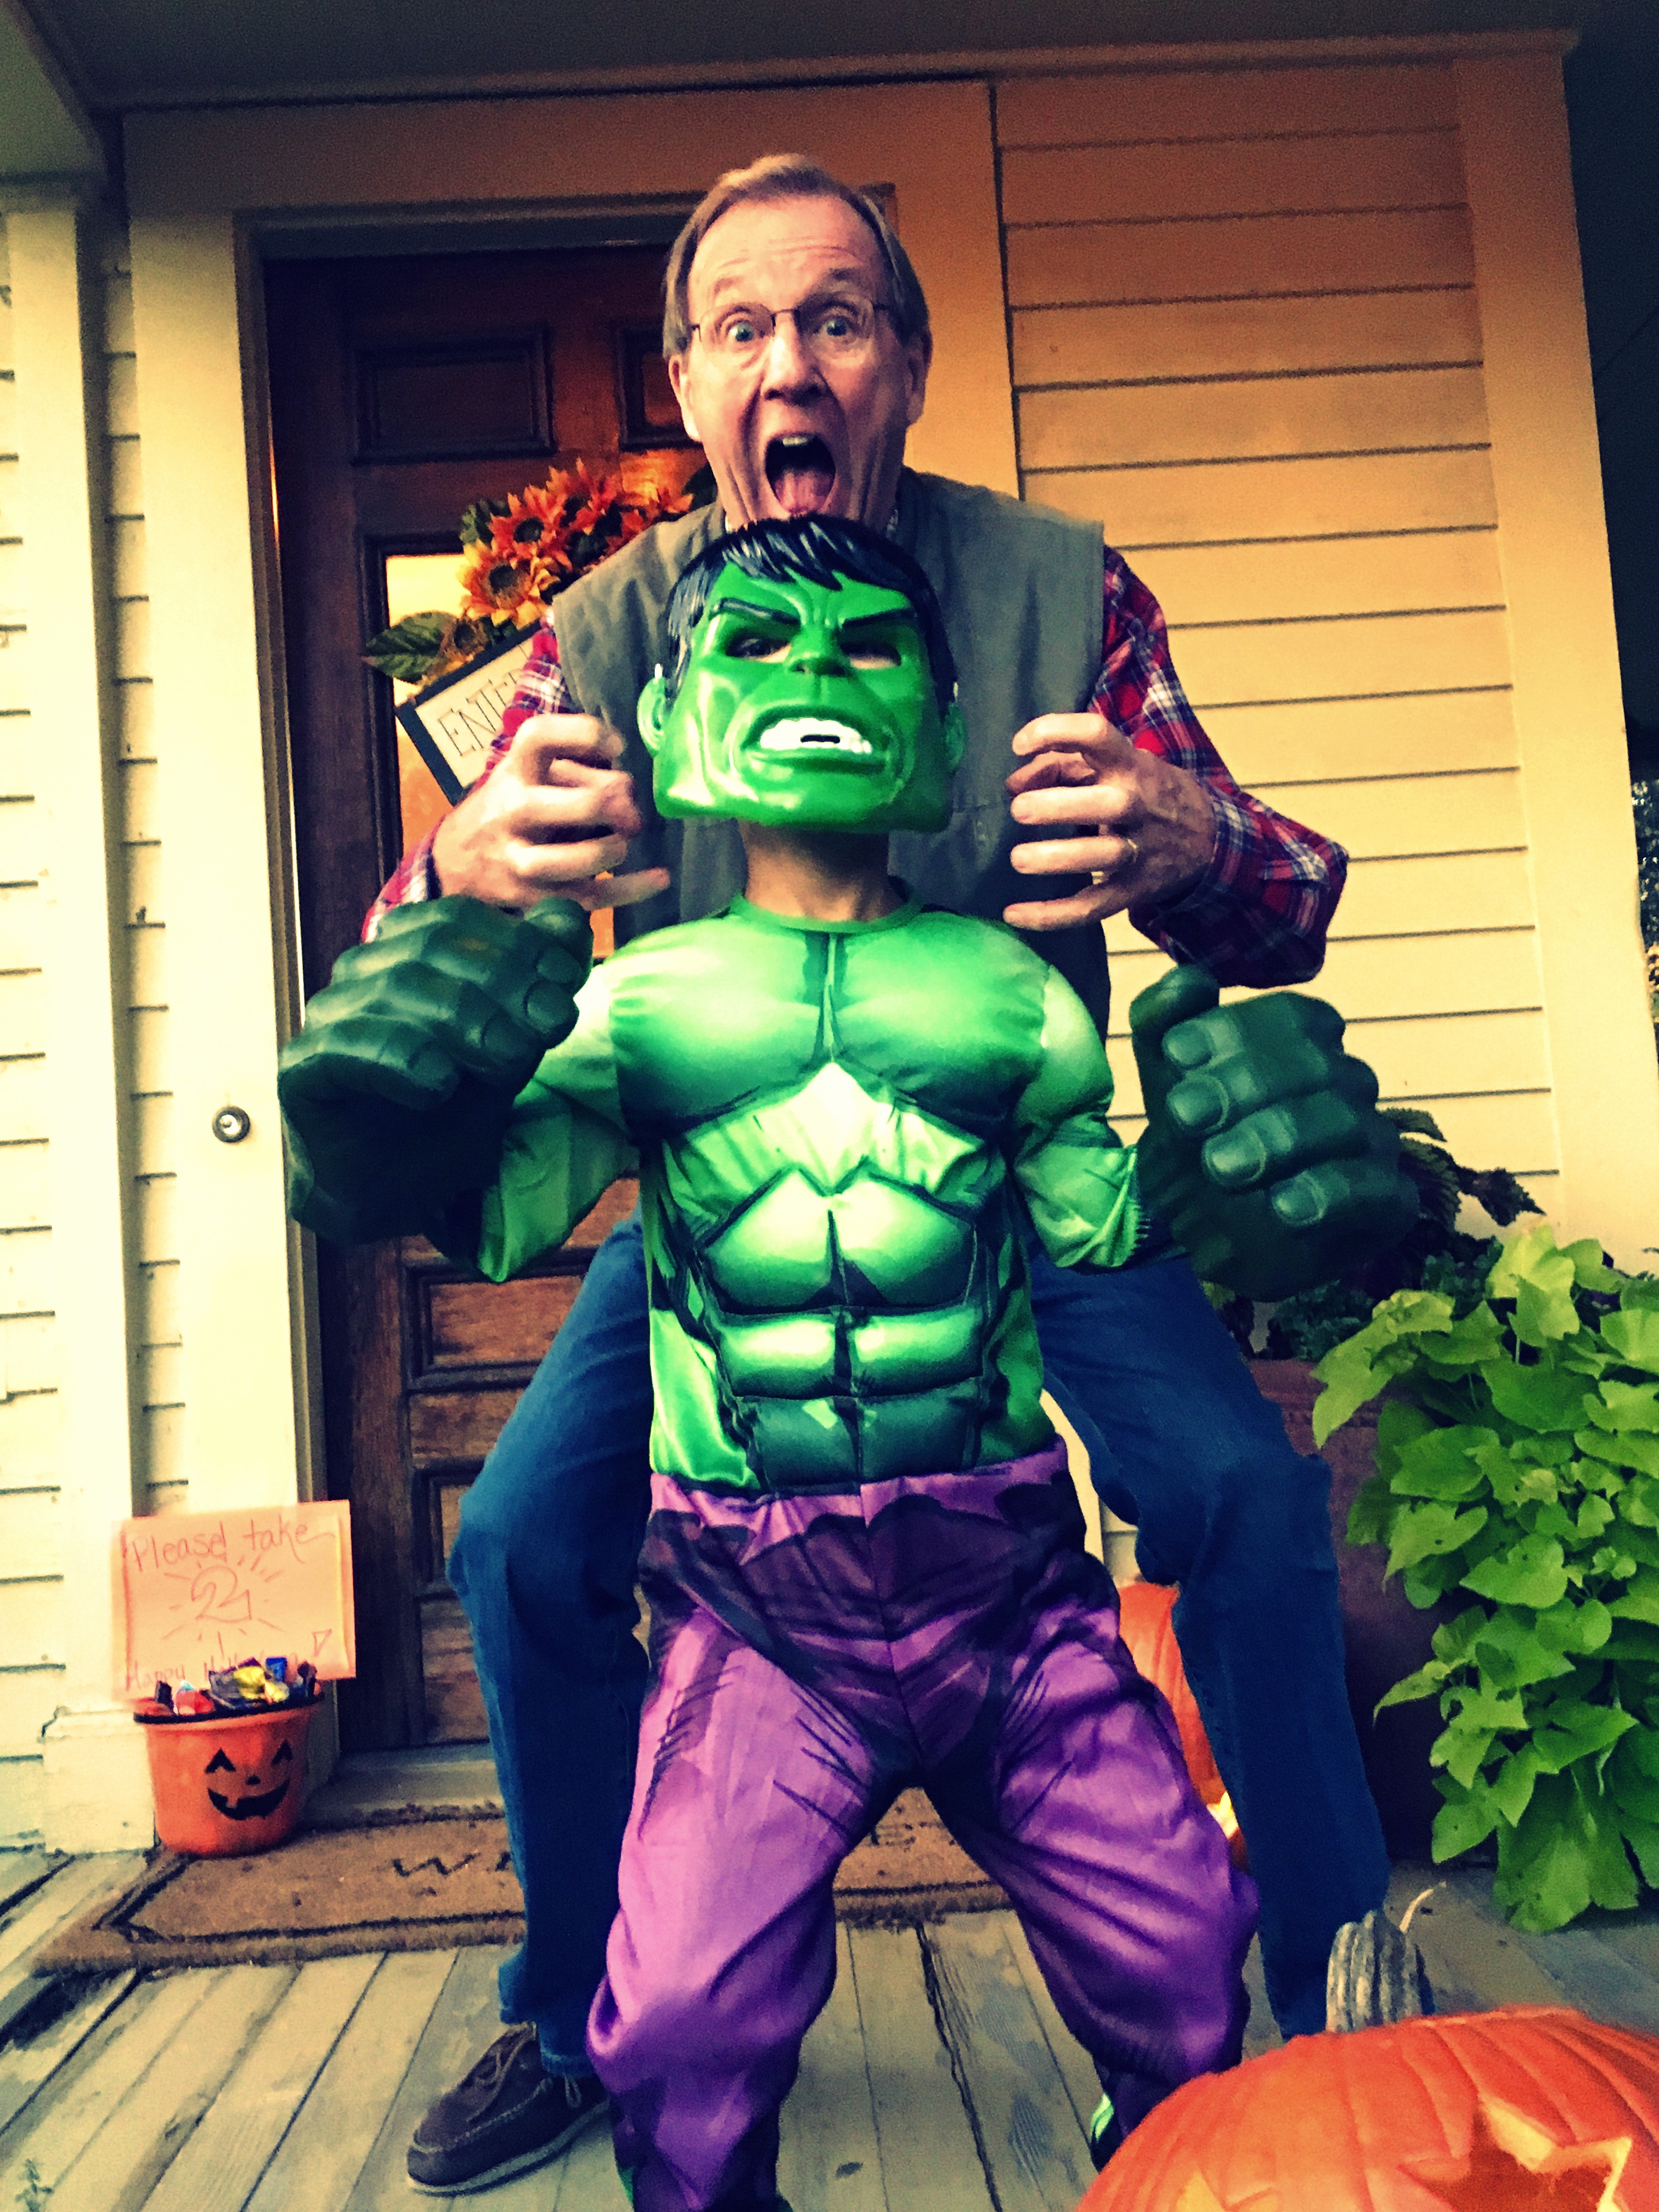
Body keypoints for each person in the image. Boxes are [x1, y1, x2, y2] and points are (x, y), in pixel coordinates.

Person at [352, 156, 1409, 2194]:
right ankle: (574, 2007)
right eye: (742, 327)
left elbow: (1288, 898)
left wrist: (1193, 838)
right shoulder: (615, 630)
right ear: (688, 380)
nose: (791, 365)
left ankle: (1325, 2003)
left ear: (908, 364)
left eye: (837, 319)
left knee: (1245, 1496)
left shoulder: (1061, 594)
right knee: (523, 1547)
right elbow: (432, 926)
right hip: (724, 1200)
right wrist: (465, 874)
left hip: (1025, 1180)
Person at [284, 518, 1267, 2209]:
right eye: (757, 643)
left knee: (1185, 1959)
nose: (815, 672)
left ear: (943, 726)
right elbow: (495, 1219)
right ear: (669, 722)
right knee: (674, 2028)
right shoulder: (636, 1007)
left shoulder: (1016, 999)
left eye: (867, 644)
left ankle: (1172, 2165)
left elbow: (1097, 1230)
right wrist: (403, 1106)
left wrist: (1219, 1193)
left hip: (1005, 1593)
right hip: (756, 1612)